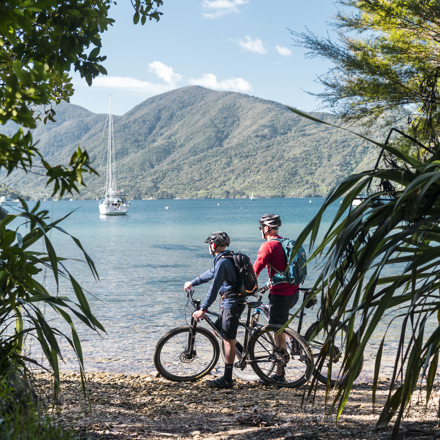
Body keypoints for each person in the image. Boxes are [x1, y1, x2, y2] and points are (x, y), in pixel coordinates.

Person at [184, 231, 245, 389]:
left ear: (213, 246)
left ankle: (227, 379)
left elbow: (214, 286)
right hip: (234, 301)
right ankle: (243, 351)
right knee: (219, 330)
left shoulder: (222, 262)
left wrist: (203, 309)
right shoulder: (225, 259)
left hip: (231, 303)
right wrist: (193, 282)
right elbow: (210, 274)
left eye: (209, 245)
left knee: (228, 340)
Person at [253, 214, 299, 383]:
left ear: (266, 229)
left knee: (276, 332)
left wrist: (245, 287)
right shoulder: (285, 243)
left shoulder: (268, 246)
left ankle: (279, 375)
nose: (261, 231)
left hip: (280, 295)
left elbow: (255, 270)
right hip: (293, 293)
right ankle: (292, 339)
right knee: (280, 327)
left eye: (261, 228)